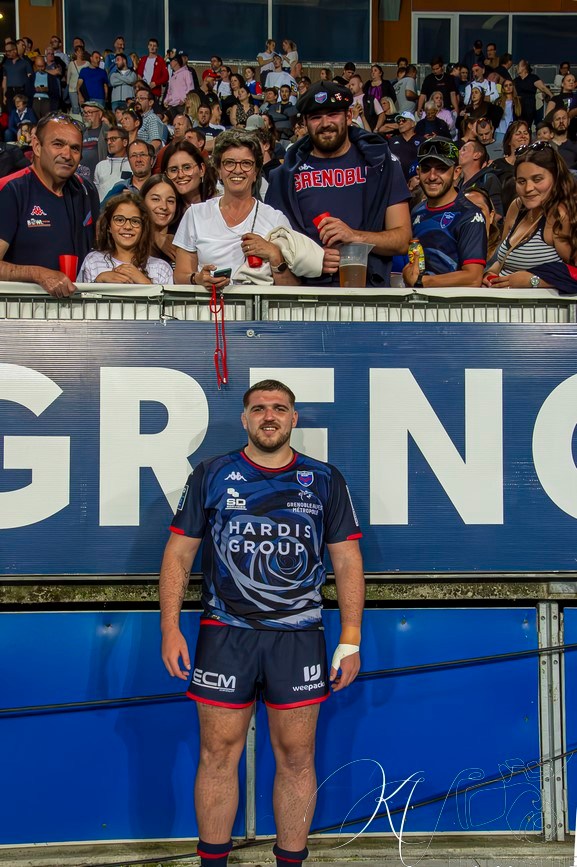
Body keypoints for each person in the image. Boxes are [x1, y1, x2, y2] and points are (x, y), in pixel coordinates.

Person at [159, 377, 364, 867]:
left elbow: (347, 561)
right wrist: (169, 627)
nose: (268, 416)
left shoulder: (324, 479)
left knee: (297, 757)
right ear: (244, 419)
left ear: (293, 418)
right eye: (258, 408)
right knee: (216, 755)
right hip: (225, 633)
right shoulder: (211, 474)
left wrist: (351, 638)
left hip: (298, 637)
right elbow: (178, 555)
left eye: (278, 408)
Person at [265, 80, 411, 287]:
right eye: (316, 117)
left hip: (367, 292)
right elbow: (273, 240)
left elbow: (402, 239)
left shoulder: (381, 164)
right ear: (305, 123)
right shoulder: (284, 176)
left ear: (349, 116)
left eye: (333, 114)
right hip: (305, 294)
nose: (325, 123)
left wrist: (354, 237)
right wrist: (312, 259)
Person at [174, 129, 297, 288]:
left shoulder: (276, 220)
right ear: (219, 170)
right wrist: (197, 278)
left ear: (256, 172)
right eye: (229, 163)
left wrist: (275, 255)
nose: (237, 170)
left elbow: (291, 288)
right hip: (210, 303)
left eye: (246, 163)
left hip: (258, 304)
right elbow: (180, 275)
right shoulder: (195, 214)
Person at [0, 112, 99, 297]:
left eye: (75, 148)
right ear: (37, 147)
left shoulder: (86, 189)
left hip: (80, 307)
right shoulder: (10, 190)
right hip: (21, 309)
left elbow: (100, 249)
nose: (67, 155)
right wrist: (38, 274)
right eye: (58, 144)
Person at [483, 142, 577, 291]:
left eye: (537, 179)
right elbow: (504, 259)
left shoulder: (561, 216)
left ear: (556, 178)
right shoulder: (517, 206)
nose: (528, 188)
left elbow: (574, 274)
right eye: (521, 181)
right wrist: (490, 274)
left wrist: (534, 280)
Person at [402, 137, 487, 289]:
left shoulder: (469, 215)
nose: (432, 176)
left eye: (441, 168)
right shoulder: (417, 211)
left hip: (452, 303)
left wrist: (422, 282)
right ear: (418, 172)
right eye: (426, 169)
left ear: (456, 172)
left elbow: (473, 278)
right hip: (417, 300)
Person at [78, 191, 173, 284]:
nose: (127, 227)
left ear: (143, 228)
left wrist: (145, 283)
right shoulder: (92, 261)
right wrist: (98, 281)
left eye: (135, 221)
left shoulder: (161, 268)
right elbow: (80, 294)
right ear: (109, 227)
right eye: (119, 220)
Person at [488, 120, 531, 214]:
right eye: (518, 133)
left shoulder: (534, 164)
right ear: (509, 141)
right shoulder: (498, 165)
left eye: (525, 133)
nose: (523, 136)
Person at [161, 140, 216, 209]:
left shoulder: (218, 205)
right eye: (173, 170)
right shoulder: (164, 209)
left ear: (201, 169)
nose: (180, 175)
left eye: (187, 168)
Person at [141, 173, 182, 263]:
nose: (164, 207)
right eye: (156, 199)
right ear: (142, 201)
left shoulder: (183, 237)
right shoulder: (132, 236)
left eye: (170, 201)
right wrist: (155, 236)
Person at [458, 138, 503, 217]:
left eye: (464, 150)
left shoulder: (488, 179)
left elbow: (498, 214)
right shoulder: (459, 183)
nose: (459, 152)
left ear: (477, 155)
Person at [93, 126, 130, 201]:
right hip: (103, 207)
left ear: (125, 142)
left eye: (113, 139)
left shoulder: (132, 164)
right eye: (107, 140)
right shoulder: (100, 166)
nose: (109, 143)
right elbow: (95, 193)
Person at [514, 60, 552, 129]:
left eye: (518, 66)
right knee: (518, 125)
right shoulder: (516, 80)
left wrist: (552, 96)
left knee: (527, 125)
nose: (516, 67)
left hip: (529, 105)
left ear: (524, 67)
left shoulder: (533, 78)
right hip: (518, 106)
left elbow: (543, 88)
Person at [77, 101, 108, 181]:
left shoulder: (106, 132)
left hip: (100, 176)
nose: (86, 115)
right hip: (82, 177)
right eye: (84, 112)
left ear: (100, 114)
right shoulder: (81, 132)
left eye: (90, 112)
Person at [387, 112, 421, 180]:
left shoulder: (422, 141)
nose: (400, 123)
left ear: (413, 123)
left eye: (404, 120)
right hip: (395, 181)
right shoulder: (391, 141)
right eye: (398, 121)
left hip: (415, 182)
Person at [2, 41, 32, 112]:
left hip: (21, 92)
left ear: (15, 50)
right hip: (9, 93)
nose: (7, 53)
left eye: (9, 51)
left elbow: (30, 79)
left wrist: (28, 94)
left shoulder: (25, 63)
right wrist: (4, 96)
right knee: (11, 113)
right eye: (6, 51)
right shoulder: (6, 64)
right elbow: (5, 80)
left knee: (22, 113)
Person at [135, 86, 165, 151]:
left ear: (150, 102)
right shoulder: (136, 118)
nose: (137, 101)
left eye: (141, 98)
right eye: (136, 98)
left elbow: (156, 143)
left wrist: (145, 154)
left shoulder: (152, 118)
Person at [66, 43, 88, 115]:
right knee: (75, 108)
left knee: (83, 108)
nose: (80, 53)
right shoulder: (71, 64)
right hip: (72, 89)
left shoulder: (87, 64)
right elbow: (68, 78)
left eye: (81, 51)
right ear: (75, 53)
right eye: (78, 51)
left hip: (83, 89)